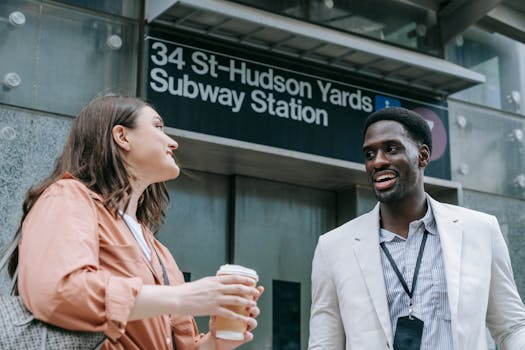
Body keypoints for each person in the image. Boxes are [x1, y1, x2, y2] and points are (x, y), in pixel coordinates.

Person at [9, 95, 263, 350]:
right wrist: (184, 297)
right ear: (122, 136)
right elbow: (57, 291)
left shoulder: (157, 249)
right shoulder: (68, 196)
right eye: (158, 127)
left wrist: (214, 342)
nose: (173, 143)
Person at [308, 107, 525, 350]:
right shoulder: (334, 247)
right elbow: (324, 343)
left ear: (422, 156)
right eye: (370, 154)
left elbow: (512, 327)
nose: (377, 161)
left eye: (391, 149)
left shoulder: (481, 230)